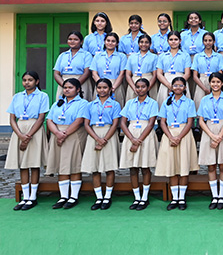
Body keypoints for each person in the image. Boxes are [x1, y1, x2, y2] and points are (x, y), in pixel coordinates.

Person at [6, 71, 49, 211]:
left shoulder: (42, 96)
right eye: (24, 80)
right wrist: (20, 135)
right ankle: (25, 196)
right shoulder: (17, 96)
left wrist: (28, 135)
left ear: (37, 81)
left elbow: (41, 118)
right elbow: (12, 118)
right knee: (23, 164)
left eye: (30, 80)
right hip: (19, 129)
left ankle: (33, 197)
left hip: (34, 129)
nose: (27, 82)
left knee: (33, 163)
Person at [156, 77, 199, 211]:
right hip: (169, 135)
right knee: (172, 166)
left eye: (181, 85)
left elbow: (190, 122)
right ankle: (175, 198)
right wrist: (170, 137)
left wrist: (179, 137)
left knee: (183, 167)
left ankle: (182, 198)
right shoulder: (166, 102)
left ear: (185, 87)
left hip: (184, 135)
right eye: (175, 85)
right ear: (171, 87)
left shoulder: (189, 102)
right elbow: (162, 122)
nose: (178, 88)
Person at [45, 78, 89, 210]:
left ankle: (73, 196)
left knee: (74, 165)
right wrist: (57, 133)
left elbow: (79, 120)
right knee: (61, 165)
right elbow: (49, 120)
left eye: (70, 87)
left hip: (73, 135)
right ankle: (63, 196)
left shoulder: (82, 103)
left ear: (78, 89)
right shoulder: (58, 103)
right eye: (65, 88)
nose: (67, 90)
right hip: (57, 134)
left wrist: (64, 134)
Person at [197, 73, 223, 210]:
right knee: (211, 166)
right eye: (213, 82)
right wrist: (212, 136)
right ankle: (214, 196)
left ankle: (221, 195)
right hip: (208, 131)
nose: (215, 84)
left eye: (218, 82)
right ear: (210, 83)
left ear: (222, 83)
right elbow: (201, 120)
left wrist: (219, 136)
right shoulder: (204, 100)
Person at [81, 78, 121, 210]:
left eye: (105, 87)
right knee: (95, 168)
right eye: (99, 88)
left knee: (109, 167)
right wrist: (97, 139)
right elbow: (86, 124)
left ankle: (107, 197)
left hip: (109, 134)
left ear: (110, 89)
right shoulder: (90, 105)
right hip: (94, 134)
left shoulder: (115, 104)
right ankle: (99, 197)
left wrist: (104, 139)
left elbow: (115, 124)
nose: (102, 90)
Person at [120, 77, 158, 211]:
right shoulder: (130, 103)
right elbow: (123, 122)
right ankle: (137, 197)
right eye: (137, 87)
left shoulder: (152, 103)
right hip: (131, 134)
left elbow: (151, 123)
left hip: (145, 135)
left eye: (143, 86)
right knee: (133, 168)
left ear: (148, 88)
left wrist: (139, 140)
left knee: (145, 167)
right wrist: (132, 139)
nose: (140, 89)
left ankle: (144, 197)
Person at [90, 32, 127, 105]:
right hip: (100, 85)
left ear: (117, 43)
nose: (110, 43)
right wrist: (101, 86)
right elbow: (94, 73)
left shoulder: (122, 56)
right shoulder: (97, 56)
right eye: (108, 40)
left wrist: (112, 88)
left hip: (116, 85)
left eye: (113, 41)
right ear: (104, 42)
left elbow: (122, 74)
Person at [53, 30, 92, 100]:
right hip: (63, 83)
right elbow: (56, 73)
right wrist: (65, 86)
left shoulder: (86, 55)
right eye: (70, 39)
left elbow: (87, 72)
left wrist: (75, 85)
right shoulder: (62, 55)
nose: (72, 41)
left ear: (81, 42)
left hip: (81, 83)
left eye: (75, 39)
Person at [155, 31, 191, 105]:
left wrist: (178, 85)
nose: (173, 42)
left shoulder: (186, 55)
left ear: (180, 41)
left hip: (181, 82)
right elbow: (159, 74)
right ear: (167, 41)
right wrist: (170, 86)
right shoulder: (162, 56)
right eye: (171, 39)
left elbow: (187, 73)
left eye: (176, 39)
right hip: (165, 83)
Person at [191, 32, 223, 109]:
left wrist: (214, 86)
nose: (208, 43)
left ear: (214, 41)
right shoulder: (197, 56)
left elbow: (220, 72)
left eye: (210, 40)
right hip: (201, 83)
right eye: (205, 40)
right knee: (200, 105)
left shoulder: (218, 56)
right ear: (203, 42)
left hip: (215, 82)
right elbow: (195, 76)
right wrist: (204, 88)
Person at [124, 34, 158, 102]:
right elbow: (128, 74)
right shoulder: (132, 57)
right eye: (141, 42)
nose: (144, 44)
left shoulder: (154, 57)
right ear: (138, 43)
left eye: (146, 42)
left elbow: (155, 75)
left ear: (150, 44)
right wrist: (134, 88)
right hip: (133, 82)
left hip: (149, 82)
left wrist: (147, 88)